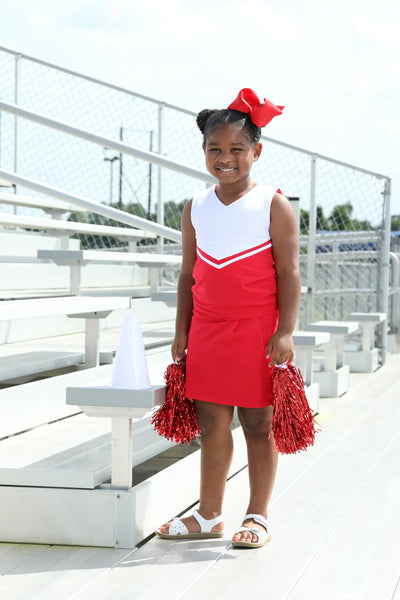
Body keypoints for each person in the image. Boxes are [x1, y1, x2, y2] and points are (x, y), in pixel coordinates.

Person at [155, 89, 301, 548]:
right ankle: (209, 514)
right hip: (208, 331)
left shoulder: (273, 204)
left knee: (258, 424)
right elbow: (187, 273)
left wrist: (286, 330)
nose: (226, 158)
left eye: (237, 149)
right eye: (215, 149)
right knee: (212, 425)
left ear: (256, 152)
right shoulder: (195, 206)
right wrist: (182, 330)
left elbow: (289, 272)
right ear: (203, 152)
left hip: (258, 332)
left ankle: (256, 515)